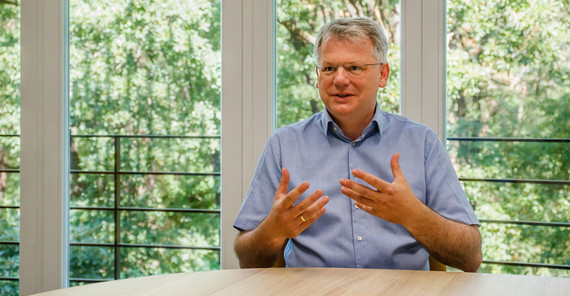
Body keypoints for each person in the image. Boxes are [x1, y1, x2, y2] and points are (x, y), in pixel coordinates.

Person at [233, 17, 482, 272]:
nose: (340, 79)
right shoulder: (283, 145)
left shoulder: (422, 143)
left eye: (354, 68)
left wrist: (414, 215)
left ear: (383, 74)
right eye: (329, 69)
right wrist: (271, 231)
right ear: (318, 77)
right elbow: (246, 258)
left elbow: (470, 257)